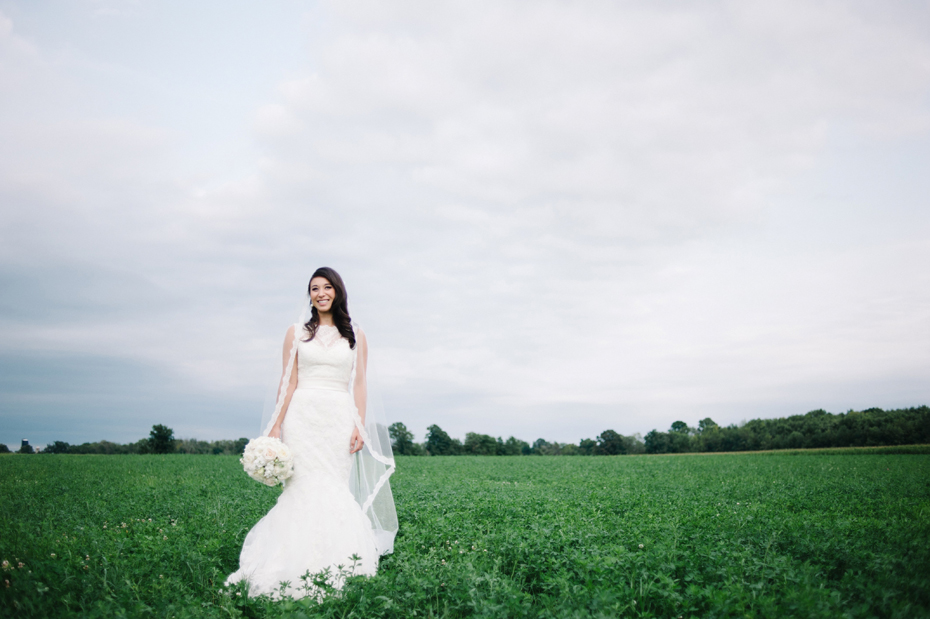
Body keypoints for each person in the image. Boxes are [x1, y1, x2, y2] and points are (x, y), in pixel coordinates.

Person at [226, 267, 397, 598]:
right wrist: (276, 425)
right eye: (314, 288)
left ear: (337, 291)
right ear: (309, 295)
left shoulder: (356, 335)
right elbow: (287, 381)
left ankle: (340, 563)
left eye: (327, 287)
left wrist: (359, 425)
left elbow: (359, 383)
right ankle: (285, 562)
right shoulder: (295, 333)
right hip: (301, 418)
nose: (321, 293)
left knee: (334, 487)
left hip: (337, 417)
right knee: (301, 487)